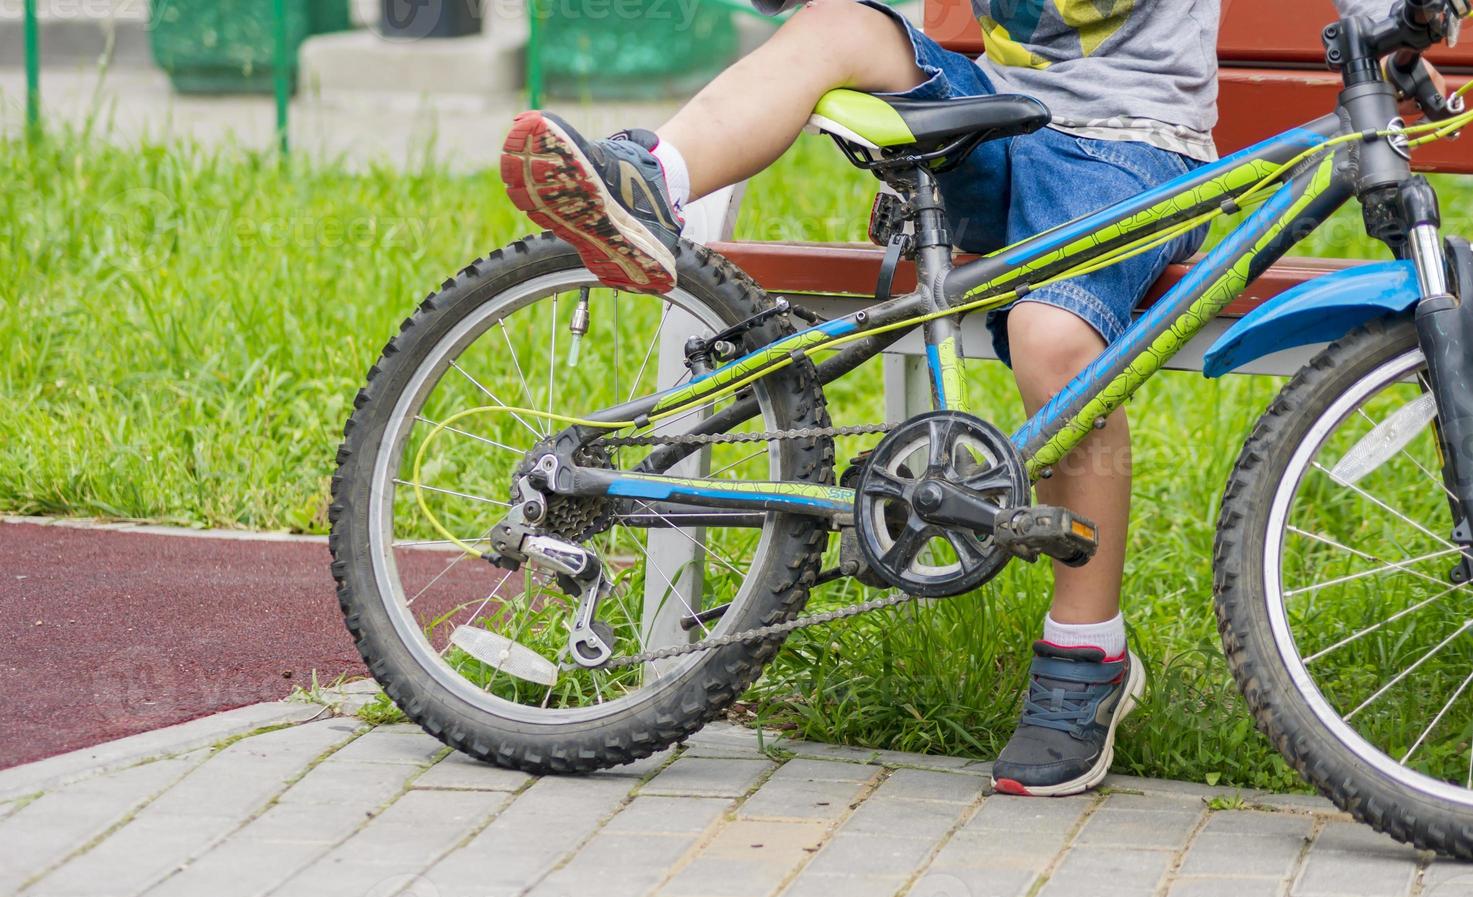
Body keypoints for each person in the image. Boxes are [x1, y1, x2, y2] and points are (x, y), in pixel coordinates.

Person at [500, 0, 1423, 796]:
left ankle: (1085, 648)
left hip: (1131, 148)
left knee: (1051, 339)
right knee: (839, 24)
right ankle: (643, 180)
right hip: (993, 121)